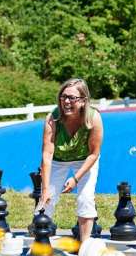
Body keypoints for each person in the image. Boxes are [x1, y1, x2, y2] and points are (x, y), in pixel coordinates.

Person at [38, 79, 103, 243]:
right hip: (58, 160)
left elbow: (94, 154)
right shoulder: (52, 118)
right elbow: (47, 154)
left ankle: (85, 244)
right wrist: (45, 189)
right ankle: (40, 243)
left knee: (85, 198)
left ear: (83, 101)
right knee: (47, 199)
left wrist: (76, 178)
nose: (66, 101)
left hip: (85, 159)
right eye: (63, 96)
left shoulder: (94, 118)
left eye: (72, 98)